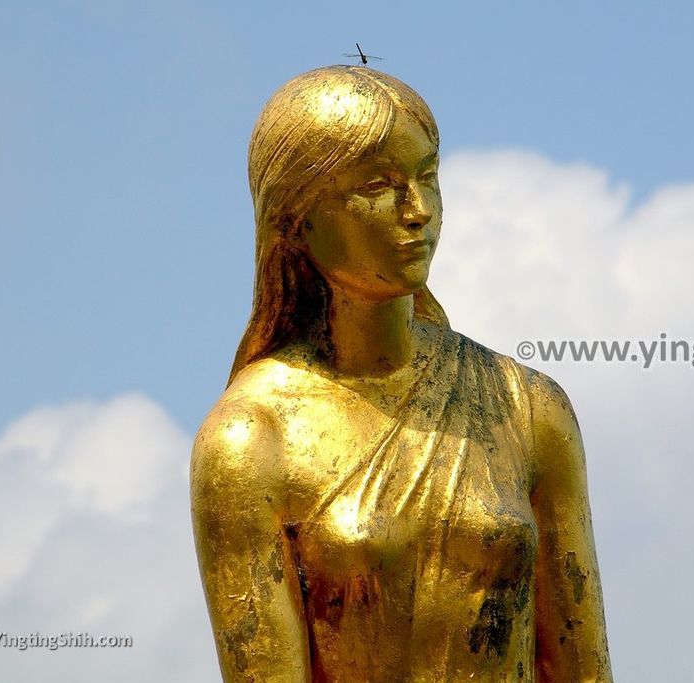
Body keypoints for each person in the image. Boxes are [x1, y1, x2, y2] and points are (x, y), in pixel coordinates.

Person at [191, 65, 613, 682]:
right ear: (298, 219)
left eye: (428, 177)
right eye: (377, 185)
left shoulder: (528, 409)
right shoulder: (252, 441)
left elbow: (584, 666)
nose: (417, 210)